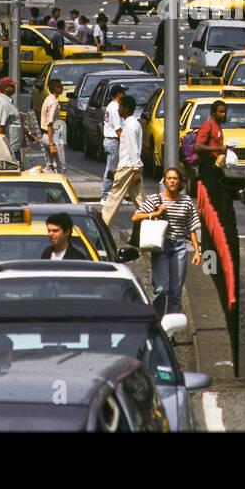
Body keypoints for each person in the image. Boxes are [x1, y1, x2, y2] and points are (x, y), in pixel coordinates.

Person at [134, 167, 202, 316]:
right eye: (169, 178)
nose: (172, 181)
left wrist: (197, 251)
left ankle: (170, 332)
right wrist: (156, 213)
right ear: (164, 182)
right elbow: (136, 217)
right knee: (160, 289)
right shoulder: (155, 199)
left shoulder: (186, 201)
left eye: (175, 178)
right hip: (161, 247)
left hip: (179, 246)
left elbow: (191, 227)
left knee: (176, 292)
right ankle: (157, 322)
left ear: (180, 182)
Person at [102, 95, 144, 228]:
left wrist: (136, 169)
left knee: (112, 199)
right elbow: (127, 149)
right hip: (129, 166)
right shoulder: (131, 124)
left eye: (120, 107)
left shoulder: (131, 125)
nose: (118, 109)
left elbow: (133, 148)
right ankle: (152, 223)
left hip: (129, 168)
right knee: (141, 201)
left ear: (126, 109)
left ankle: (101, 229)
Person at [0, 76, 35, 167]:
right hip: (7, 151)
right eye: (12, 86)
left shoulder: (8, 103)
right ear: (6, 88)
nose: (14, 88)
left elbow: (15, 123)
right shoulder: (1, 104)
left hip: (13, 149)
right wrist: (1, 150)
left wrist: (28, 133)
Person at [194, 99, 230, 209]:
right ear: (213, 113)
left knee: (218, 195)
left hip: (216, 165)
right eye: (220, 112)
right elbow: (198, 146)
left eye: (224, 112)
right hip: (207, 165)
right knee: (209, 196)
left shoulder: (217, 126)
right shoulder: (208, 126)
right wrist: (218, 148)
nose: (223, 114)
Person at [100, 84, 126, 202]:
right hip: (113, 141)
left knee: (118, 170)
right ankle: (105, 196)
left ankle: (118, 196)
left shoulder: (112, 105)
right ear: (118, 94)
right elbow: (118, 129)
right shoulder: (115, 108)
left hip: (112, 140)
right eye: (123, 92)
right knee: (111, 169)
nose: (125, 94)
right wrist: (126, 144)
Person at [40, 78, 65, 173]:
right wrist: (52, 144)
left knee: (50, 166)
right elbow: (50, 123)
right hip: (53, 137)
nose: (62, 89)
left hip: (45, 136)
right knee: (61, 167)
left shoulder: (47, 99)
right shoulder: (54, 102)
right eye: (61, 87)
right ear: (56, 88)